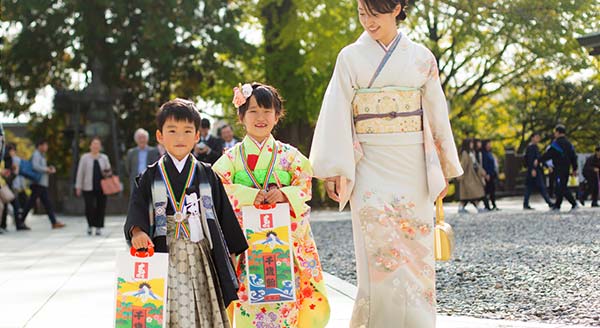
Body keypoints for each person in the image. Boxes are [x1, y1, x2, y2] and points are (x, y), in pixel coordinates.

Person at [309, 1, 463, 326]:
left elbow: (436, 113)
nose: (367, 22)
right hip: (368, 164)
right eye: (361, 14)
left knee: (415, 250)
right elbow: (336, 111)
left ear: (396, 7)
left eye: (374, 14)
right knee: (377, 253)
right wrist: (337, 168)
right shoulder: (349, 57)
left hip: (413, 166)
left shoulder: (422, 58)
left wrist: (443, 167)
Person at [214, 83, 330, 327]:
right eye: (253, 111)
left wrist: (286, 194)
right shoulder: (232, 158)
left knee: (287, 296)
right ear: (241, 116)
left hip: (283, 241)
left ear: (277, 116)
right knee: (249, 298)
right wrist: (247, 195)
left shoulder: (289, 155)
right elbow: (217, 189)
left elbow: (305, 183)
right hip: (248, 244)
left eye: (268, 111)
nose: (261, 117)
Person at [124, 98, 248, 327]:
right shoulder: (150, 176)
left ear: (197, 136)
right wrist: (137, 230)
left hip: (200, 249)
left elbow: (223, 213)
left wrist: (230, 249)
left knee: (204, 301)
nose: (180, 138)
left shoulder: (206, 174)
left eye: (187, 131)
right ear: (160, 136)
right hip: (164, 249)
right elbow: (138, 206)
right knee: (170, 306)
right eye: (172, 131)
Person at [21, 140, 66, 229]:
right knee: (33, 203)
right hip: (37, 183)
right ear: (40, 146)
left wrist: (48, 168)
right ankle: (20, 221)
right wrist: (47, 169)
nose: (46, 147)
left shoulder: (42, 155)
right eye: (45, 145)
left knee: (45, 203)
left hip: (41, 183)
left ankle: (53, 222)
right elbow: (35, 166)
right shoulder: (36, 154)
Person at [75, 137, 112, 236]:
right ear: (90, 146)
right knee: (89, 207)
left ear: (100, 146)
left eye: (97, 144)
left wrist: (107, 172)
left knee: (101, 207)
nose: (95, 146)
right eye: (94, 144)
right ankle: (90, 225)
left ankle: (99, 226)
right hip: (88, 187)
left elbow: (109, 171)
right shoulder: (85, 158)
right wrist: (78, 186)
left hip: (102, 187)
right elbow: (80, 173)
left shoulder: (104, 158)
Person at [542, 124, 578, 211]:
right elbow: (573, 157)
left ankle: (573, 203)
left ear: (558, 132)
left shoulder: (556, 144)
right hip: (566, 168)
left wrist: (539, 160)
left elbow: (548, 154)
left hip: (558, 168)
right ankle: (558, 205)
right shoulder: (569, 144)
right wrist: (574, 168)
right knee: (561, 186)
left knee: (561, 187)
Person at [1, 144, 29, 231]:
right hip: (4, 186)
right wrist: (14, 172)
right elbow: (8, 177)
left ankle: (4, 225)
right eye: (13, 151)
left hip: (5, 186)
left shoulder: (5, 159)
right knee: (13, 205)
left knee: (5, 206)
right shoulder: (7, 160)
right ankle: (18, 224)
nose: (14, 152)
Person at [523, 133, 554, 210]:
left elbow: (539, 158)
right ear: (532, 138)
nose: (538, 139)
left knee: (530, 187)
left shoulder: (535, 147)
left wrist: (547, 166)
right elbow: (531, 160)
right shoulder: (531, 147)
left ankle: (526, 203)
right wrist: (532, 169)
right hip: (534, 169)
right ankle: (549, 202)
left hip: (535, 169)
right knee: (541, 187)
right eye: (536, 137)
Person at [125, 128, 160, 192]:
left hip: (150, 179)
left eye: (143, 138)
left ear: (147, 139)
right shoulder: (131, 152)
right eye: (139, 138)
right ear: (136, 140)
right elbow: (128, 168)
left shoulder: (153, 151)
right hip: (136, 180)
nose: (142, 140)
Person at [457, 138, 486, 213]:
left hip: (472, 176)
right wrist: (460, 175)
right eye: (471, 143)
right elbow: (464, 165)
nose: (472, 144)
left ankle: (474, 206)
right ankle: (464, 207)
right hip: (468, 177)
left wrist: (482, 172)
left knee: (472, 193)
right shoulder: (465, 153)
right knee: (472, 192)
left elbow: (475, 164)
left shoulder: (470, 152)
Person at [481, 140, 499, 211]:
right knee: (487, 190)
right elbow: (485, 164)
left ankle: (493, 204)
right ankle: (487, 205)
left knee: (492, 190)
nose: (489, 145)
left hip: (492, 174)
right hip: (488, 174)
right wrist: (487, 174)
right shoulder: (484, 154)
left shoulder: (490, 153)